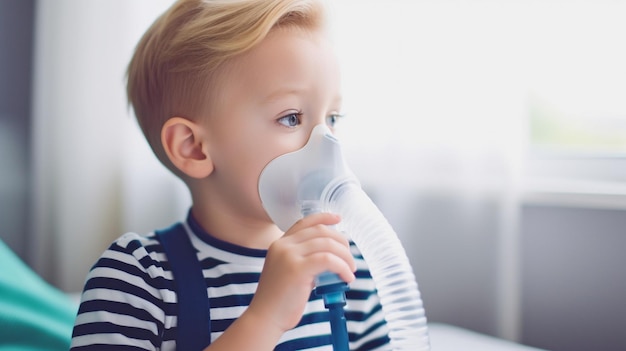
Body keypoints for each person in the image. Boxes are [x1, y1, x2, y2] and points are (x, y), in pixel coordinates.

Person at [70, 0, 390, 350]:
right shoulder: (139, 279)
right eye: (292, 117)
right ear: (193, 147)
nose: (326, 143)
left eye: (332, 119)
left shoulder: (344, 264)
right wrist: (265, 319)